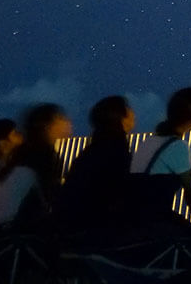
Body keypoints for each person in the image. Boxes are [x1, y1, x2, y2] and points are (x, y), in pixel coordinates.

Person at [0, 104, 72, 230]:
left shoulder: (22, 157)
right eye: (61, 118)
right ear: (48, 125)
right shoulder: (43, 156)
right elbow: (58, 201)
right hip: (11, 235)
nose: (68, 122)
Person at [129, 86, 191, 224]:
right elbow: (190, 193)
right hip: (152, 220)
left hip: (132, 216)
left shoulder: (149, 142)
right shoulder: (177, 146)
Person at [56, 96, 134, 235]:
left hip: (70, 227)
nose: (133, 113)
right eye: (128, 109)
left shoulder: (92, 150)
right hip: (96, 231)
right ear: (121, 116)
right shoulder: (116, 149)